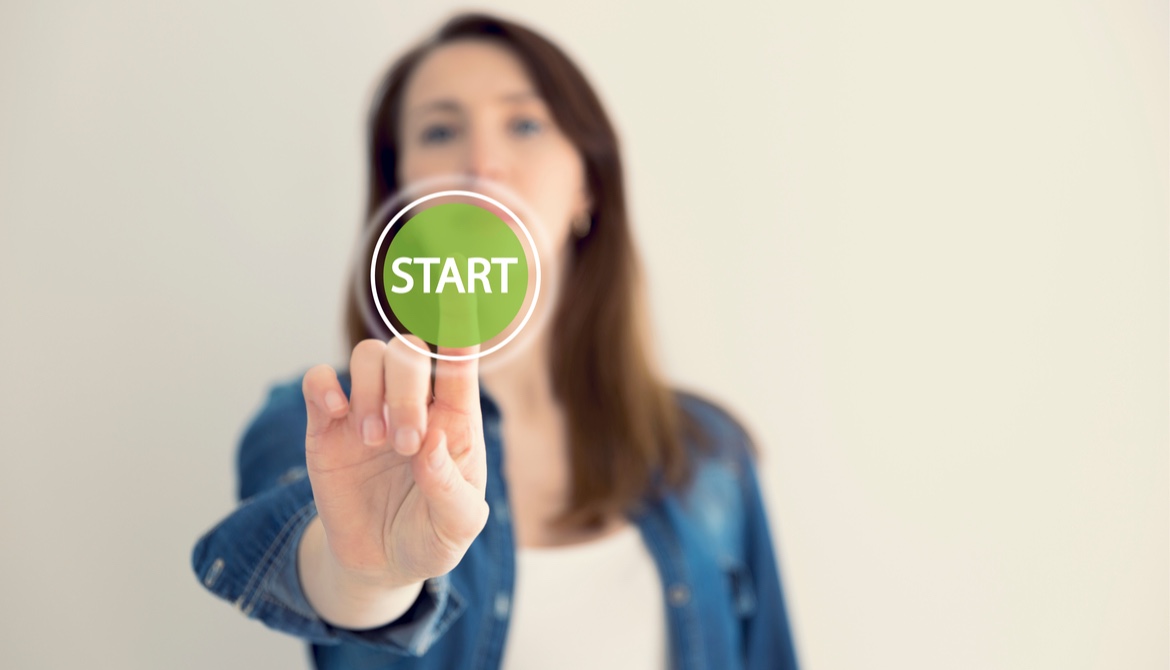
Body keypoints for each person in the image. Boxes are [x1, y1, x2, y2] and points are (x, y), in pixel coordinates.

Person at [191, 12, 800, 670]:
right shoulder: (326, 424)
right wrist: (367, 576)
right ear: (403, 198)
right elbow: (305, 555)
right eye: (440, 130)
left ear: (586, 186)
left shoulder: (707, 454)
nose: (481, 163)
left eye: (526, 123)